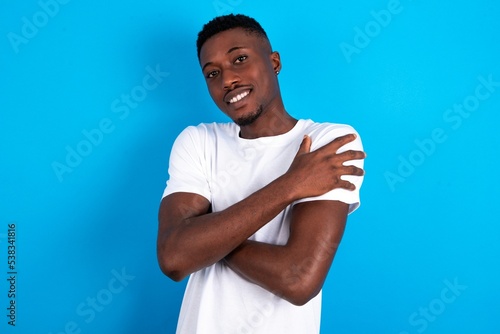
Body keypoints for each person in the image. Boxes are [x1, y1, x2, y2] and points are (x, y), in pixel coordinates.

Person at [157, 13, 366, 334]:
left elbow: (298, 279)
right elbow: (174, 259)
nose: (227, 79)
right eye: (212, 73)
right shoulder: (198, 141)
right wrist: (291, 185)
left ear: (274, 62)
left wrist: (204, 240)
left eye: (239, 59)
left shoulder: (329, 141)